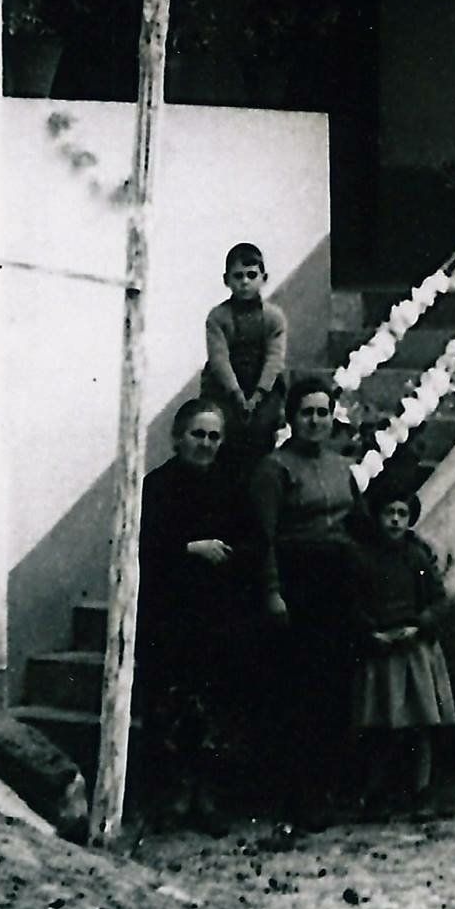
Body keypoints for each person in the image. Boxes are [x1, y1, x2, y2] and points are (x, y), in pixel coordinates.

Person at [249, 373, 364, 827]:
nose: (315, 421)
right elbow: (263, 538)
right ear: (291, 418)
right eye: (306, 413)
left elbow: (358, 523)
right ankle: (301, 797)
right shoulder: (274, 469)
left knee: (337, 689)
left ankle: (331, 789)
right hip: (300, 585)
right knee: (303, 693)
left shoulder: (341, 466)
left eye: (323, 413)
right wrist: (272, 591)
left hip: (340, 585)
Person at [135, 397, 247, 829]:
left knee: (213, 705)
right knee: (169, 705)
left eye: (214, 436)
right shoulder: (156, 487)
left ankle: (206, 797)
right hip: (169, 612)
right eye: (197, 434)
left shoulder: (231, 485)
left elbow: (247, 540)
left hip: (216, 611)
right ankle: (172, 798)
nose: (206, 443)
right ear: (177, 438)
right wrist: (189, 548)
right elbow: (142, 546)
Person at [350, 466, 455, 815]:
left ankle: (422, 789)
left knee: (421, 724)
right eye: (388, 513)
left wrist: (420, 626)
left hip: (414, 649)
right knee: (382, 726)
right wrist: (370, 632)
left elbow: (437, 600)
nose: (395, 520)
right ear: (376, 516)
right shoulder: (364, 558)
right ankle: (377, 792)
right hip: (381, 652)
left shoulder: (417, 556)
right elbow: (354, 603)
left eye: (402, 513)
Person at [201, 241, 289, 510]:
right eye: (238, 276)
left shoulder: (274, 317)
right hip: (226, 392)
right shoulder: (218, 317)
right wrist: (237, 395)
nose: (245, 282)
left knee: (261, 443)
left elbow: (274, 358)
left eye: (251, 275)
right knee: (226, 446)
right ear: (226, 280)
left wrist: (259, 394)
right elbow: (219, 359)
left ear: (264, 278)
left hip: (263, 392)